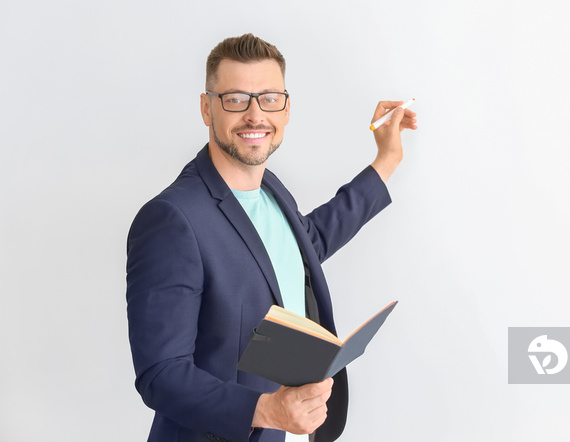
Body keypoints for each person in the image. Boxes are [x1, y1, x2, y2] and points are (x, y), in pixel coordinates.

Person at [126, 33, 417, 442]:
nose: (254, 114)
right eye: (235, 99)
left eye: (268, 98)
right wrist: (266, 410)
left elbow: (305, 246)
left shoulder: (270, 191)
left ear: (286, 108)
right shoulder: (171, 220)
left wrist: (386, 161)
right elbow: (161, 373)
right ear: (207, 108)